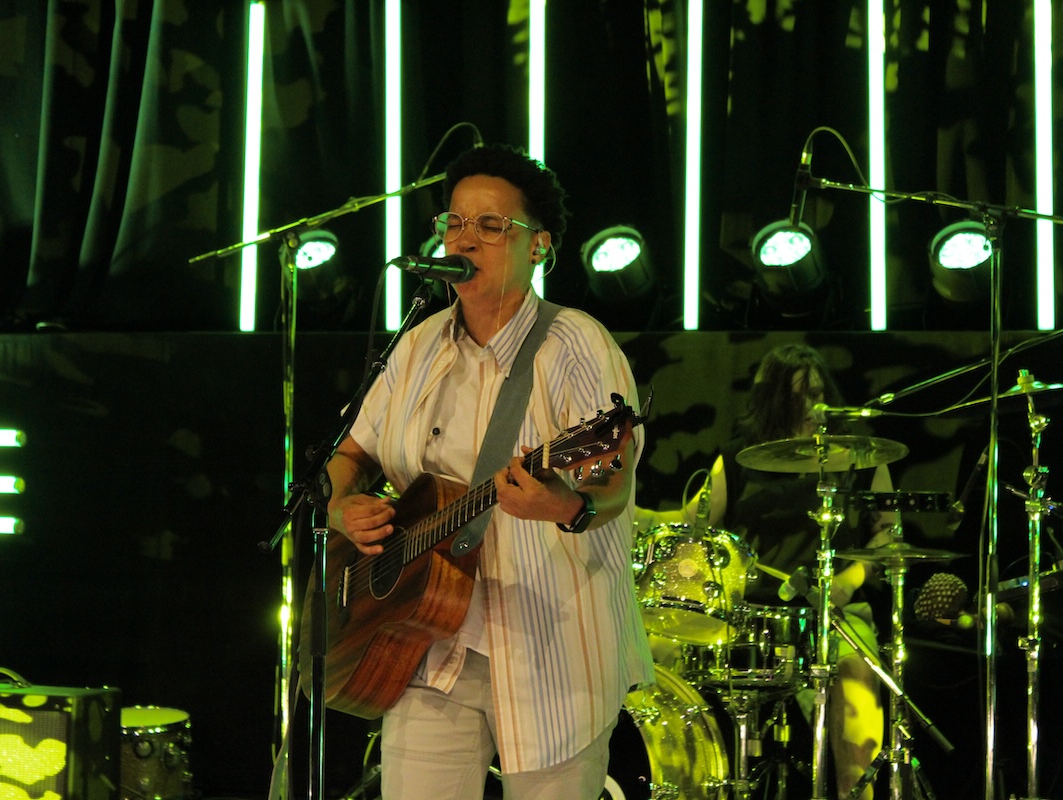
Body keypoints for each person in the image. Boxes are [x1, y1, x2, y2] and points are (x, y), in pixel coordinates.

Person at [324, 144, 653, 800]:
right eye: (454, 223)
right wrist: (339, 507)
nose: (465, 238)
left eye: (491, 226)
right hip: (421, 643)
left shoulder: (577, 343)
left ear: (540, 247)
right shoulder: (414, 345)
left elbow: (614, 476)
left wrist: (565, 506)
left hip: (550, 650)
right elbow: (347, 455)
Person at [636, 343, 893, 800]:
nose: (813, 404)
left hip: (833, 614)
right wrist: (621, 510)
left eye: (817, 392)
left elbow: (886, 540)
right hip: (749, 617)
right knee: (656, 647)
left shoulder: (862, 455)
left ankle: (859, 793)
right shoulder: (740, 459)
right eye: (799, 395)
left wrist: (847, 583)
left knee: (857, 668)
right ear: (776, 400)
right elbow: (689, 522)